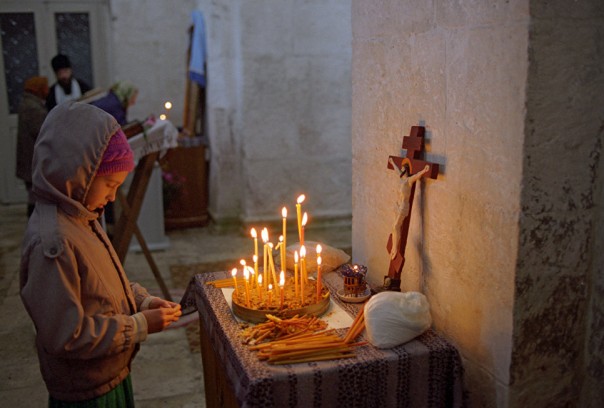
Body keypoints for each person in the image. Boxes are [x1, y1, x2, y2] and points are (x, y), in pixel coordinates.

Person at [19, 101, 181, 406]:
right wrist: (139, 325)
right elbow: (68, 335)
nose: (113, 196)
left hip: (107, 374)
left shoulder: (81, 217)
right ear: (77, 173)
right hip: (86, 391)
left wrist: (141, 301)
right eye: (109, 184)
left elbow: (99, 287)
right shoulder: (53, 243)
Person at [15, 76, 49, 217]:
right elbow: (42, 130)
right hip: (32, 158)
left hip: (29, 156)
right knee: (34, 195)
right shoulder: (33, 108)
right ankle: (34, 222)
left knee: (33, 193)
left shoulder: (29, 103)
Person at [388, 157, 430, 260]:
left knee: (396, 226)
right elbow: (396, 170)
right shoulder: (401, 179)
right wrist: (392, 162)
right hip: (397, 205)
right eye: (401, 169)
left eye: (403, 169)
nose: (401, 171)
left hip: (403, 206)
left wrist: (424, 170)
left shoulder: (409, 181)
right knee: (394, 227)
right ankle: (394, 248)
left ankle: (395, 249)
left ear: (406, 170)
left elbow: (417, 176)